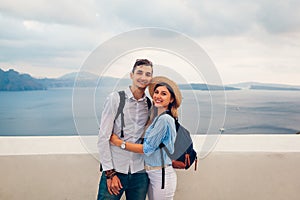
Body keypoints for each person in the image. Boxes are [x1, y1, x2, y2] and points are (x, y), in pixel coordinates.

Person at [110, 76, 182, 200]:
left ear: (171, 100)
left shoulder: (164, 120)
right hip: (152, 173)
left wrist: (119, 143)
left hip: (161, 175)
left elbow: (147, 149)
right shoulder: (157, 117)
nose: (158, 96)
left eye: (164, 94)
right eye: (157, 92)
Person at [97, 59, 153, 200]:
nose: (143, 77)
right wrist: (110, 173)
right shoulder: (115, 99)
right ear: (131, 75)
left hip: (140, 173)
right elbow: (103, 137)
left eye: (148, 74)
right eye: (139, 72)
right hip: (116, 170)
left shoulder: (149, 104)